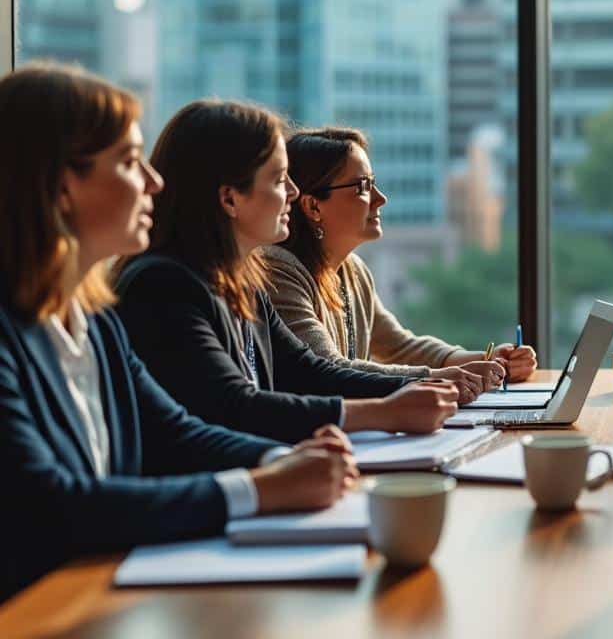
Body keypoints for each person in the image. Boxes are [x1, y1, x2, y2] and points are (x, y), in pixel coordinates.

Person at [0, 64, 356, 600]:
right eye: (127, 162)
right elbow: (54, 504)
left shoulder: (96, 322)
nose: (153, 181)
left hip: (100, 598)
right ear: (62, 185)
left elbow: (175, 431)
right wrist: (257, 490)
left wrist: (281, 461)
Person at [114, 100, 495, 444]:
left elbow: (308, 372)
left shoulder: (244, 278)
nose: (294, 193)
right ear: (230, 198)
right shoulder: (163, 285)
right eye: (280, 179)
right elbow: (234, 406)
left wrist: (422, 383)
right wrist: (387, 408)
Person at [261, 127, 537, 381]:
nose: (381, 198)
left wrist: (489, 360)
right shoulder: (278, 272)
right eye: (363, 187)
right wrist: (439, 377)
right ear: (312, 206)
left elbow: (399, 345)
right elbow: (328, 369)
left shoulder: (351, 269)